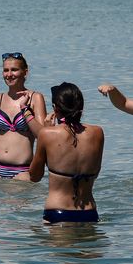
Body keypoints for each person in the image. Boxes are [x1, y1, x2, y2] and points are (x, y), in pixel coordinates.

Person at [25, 83, 104, 224]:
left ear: (55, 108)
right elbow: (95, 173)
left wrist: (45, 132)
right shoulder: (98, 133)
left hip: (58, 213)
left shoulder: (47, 134)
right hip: (89, 213)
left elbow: (35, 176)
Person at [0, 52, 47, 179]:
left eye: (14, 70)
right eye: (5, 70)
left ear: (25, 72)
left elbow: (42, 136)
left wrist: (25, 110)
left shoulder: (35, 98)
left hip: (22, 171)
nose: (9, 74)